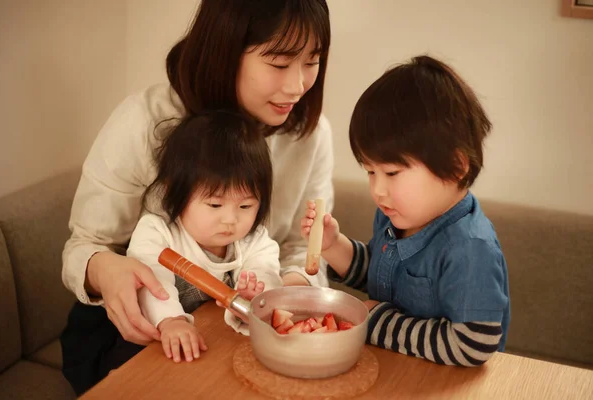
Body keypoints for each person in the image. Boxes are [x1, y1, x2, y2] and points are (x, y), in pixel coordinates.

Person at [60, 0, 332, 395]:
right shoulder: (145, 121)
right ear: (225, 49)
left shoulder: (309, 134)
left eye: (312, 61)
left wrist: (279, 292)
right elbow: (84, 246)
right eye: (278, 63)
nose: (297, 86)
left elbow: (304, 249)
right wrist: (104, 270)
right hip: (136, 333)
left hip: (232, 330)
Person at [302, 55, 510, 367]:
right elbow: (381, 275)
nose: (377, 190)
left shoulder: (469, 248)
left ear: (455, 167)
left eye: (392, 173)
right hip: (394, 373)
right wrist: (333, 246)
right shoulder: (394, 214)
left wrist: (377, 323)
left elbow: (474, 344)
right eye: (370, 172)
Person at [129, 111, 282, 364]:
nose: (231, 220)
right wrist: (172, 321)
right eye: (214, 205)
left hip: (204, 334)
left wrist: (255, 296)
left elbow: (266, 270)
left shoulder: (252, 239)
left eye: (245, 207)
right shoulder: (157, 232)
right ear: (174, 191)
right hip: (140, 334)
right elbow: (151, 282)